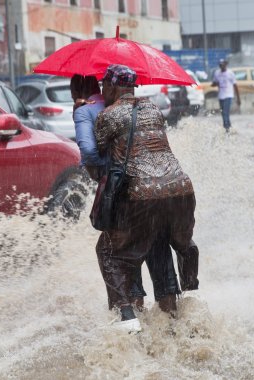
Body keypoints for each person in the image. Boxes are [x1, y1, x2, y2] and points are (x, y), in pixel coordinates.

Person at [94, 64, 200, 333]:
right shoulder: (153, 108)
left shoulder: (107, 116)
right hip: (180, 189)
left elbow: (98, 163)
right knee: (161, 242)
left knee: (111, 252)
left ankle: (128, 318)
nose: (102, 91)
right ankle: (184, 304)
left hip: (141, 195)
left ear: (114, 86)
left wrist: (81, 111)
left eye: (104, 85)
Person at [70, 75, 181, 314]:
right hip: (167, 188)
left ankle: (129, 325)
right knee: (158, 247)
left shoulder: (90, 113)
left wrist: (106, 171)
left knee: (113, 254)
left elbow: (90, 152)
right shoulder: (148, 107)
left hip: (129, 195)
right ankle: (171, 322)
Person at [212, 59, 241, 132]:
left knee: (225, 112)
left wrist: (238, 98)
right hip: (221, 96)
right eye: (220, 65)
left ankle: (226, 129)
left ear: (226, 65)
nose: (221, 66)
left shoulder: (230, 73)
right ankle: (229, 127)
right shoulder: (217, 73)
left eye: (222, 65)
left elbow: (235, 86)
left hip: (228, 95)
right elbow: (214, 83)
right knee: (223, 113)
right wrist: (215, 84)